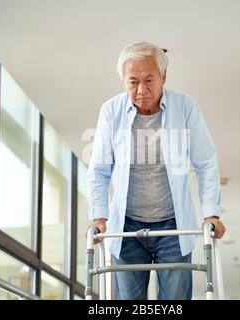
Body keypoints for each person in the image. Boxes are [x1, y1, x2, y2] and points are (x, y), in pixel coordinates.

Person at [86, 41, 225, 300]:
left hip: (173, 225)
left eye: (149, 80)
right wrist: (99, 218)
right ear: (124, 82)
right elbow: (98, 170)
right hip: (126, 227)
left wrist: (211, 213)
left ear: (164, 76)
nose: (141, 89)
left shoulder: (185, 107)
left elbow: (205, 162)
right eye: (133, 82)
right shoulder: (111, 112)